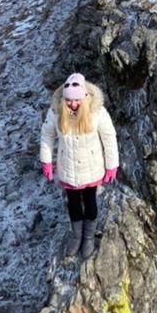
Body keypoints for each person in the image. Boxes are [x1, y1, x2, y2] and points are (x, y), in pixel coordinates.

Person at [40, 72, 119, 259]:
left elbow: (109, 138)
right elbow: (47, 136)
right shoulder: (55, 112)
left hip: (91, 168)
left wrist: (112, 165)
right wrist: (46, 161)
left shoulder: (97, 112)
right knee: (73, 203)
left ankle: (89, 237)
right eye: (69, 101)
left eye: (76, 101)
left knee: (90, 202)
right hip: (68, 168)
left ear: (84, 98)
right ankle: (77, 236)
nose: (72, 104)